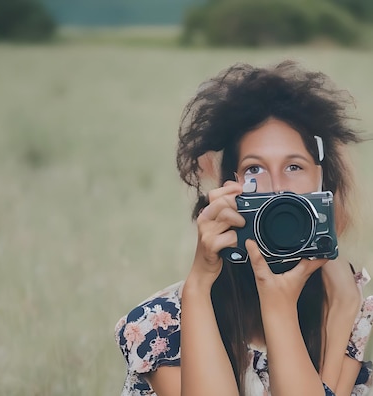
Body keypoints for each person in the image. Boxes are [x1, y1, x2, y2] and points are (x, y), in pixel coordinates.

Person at [114, 61, 373, 396]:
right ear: (229, 188)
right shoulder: (163, 322)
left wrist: (336, 315)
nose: (277, 187)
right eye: (255, 169)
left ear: (323, 184)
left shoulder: (344, 300)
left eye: (294, 166)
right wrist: (198, 283)